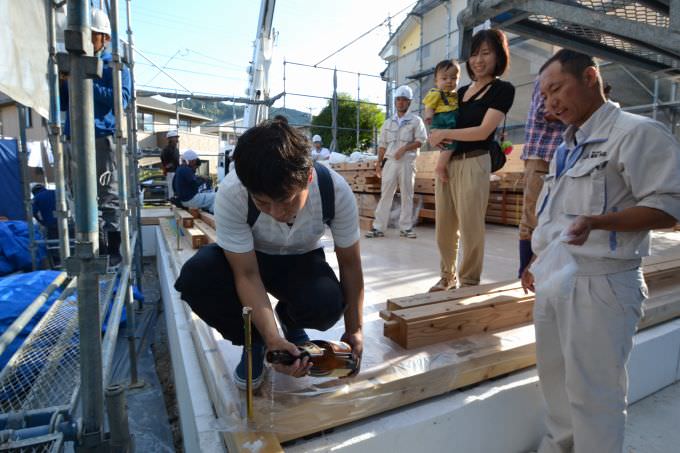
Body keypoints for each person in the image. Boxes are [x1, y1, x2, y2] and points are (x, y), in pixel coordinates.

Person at [522, 49, 680, 453]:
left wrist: (600, 222)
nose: (550, 102)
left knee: (595, 396)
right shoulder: (565, 146)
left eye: (557, 88)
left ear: (590, 77)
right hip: (556, 280)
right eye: (545, 94)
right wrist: (539, 261)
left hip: (603, 283)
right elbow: (558, 217)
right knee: (555, 385)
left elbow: (670, 208)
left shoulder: (635, 133)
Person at [174, 120, 364, 390]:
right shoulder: (233, 193)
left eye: (286, 200)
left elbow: (350, 264)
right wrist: (272, 340)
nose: (275, 213)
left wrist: (355, 330)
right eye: (262, 202)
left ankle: (289, 319)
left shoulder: (335, 191)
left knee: (327, 304)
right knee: (197, 276)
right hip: (251, 259)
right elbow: (247, 274)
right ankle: (254, 341)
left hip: (301, 259)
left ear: (307, 177)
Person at [428, 29, 515, 290]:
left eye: (486, 53)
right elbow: (441, 119)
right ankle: (446, 276)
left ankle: (468, 280)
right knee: (444, 225)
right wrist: (438, 141)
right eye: (474, 54)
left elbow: (483, 131)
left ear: (498, 56)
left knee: (470, 226)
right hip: (448, 162)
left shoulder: (502, 89)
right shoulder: (459, 91)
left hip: (475, 161)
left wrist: (444, 133)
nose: (478, 60)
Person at [59, 8, 130, 266]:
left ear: (105, 38)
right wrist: (64, 82)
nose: (87, 41)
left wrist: (86, 81)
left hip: (101, 137)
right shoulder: (72, 64)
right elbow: (63, 103)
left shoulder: (115, 66)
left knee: (106, 192)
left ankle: (113, 249)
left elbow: (121, 100)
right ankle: (92, 246)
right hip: (74, 137)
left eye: (93, 35)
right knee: (79, 194)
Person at [518, 78, 566, 277]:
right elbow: (542, 113)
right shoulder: (547, 79)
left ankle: (537, 272)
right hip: (543, 155)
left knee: (556, 217)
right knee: (533, 216)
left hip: (560, 153)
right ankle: (525, 274)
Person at [366, 85, 427, 239]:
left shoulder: (415, 121)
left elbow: (421, 141)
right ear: (395, 101)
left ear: (409, 102)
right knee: (386, 194)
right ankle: (378, 227)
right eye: (398, 99)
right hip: (391, 162)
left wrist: (405, 148)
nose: (400, 102)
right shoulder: (388, 123)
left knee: (407, 194)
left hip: (407, 162)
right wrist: (379, 163)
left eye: (404, 100)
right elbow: (382, 145)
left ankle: (405, 228)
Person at [422, 59, 460, 150]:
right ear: (436, 81)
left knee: (450, 144)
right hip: (441, 120)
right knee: (449, 146)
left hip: (451, 122)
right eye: (444, 78)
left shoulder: (456, 95)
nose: (449, 81)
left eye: (454, 78)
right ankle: (441, 164)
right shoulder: (436, 93)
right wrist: (429, 116)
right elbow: (430, 106)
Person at [161, 129, 180, 199]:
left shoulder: (176, 149)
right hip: (170, 172)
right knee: (171, 189)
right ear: (170, 139)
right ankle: (172, 203)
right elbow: (164, 162)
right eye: (175, 137)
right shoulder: (166, 150)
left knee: (177, 188)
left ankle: (176, 202)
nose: (177, 139)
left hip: (176, 171)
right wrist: (168, 167)